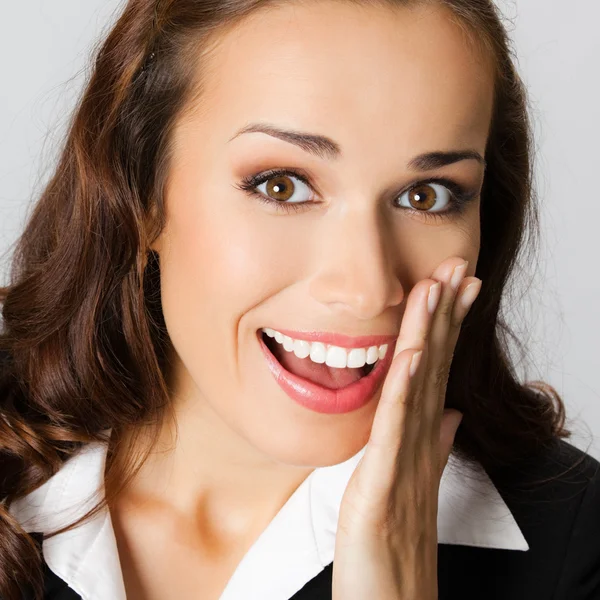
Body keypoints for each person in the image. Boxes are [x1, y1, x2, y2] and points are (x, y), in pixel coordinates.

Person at [1, 0, 598, 598]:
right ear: (140, 193)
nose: (367, 289)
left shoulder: (577, 544)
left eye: (428, 196)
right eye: (281, 186)